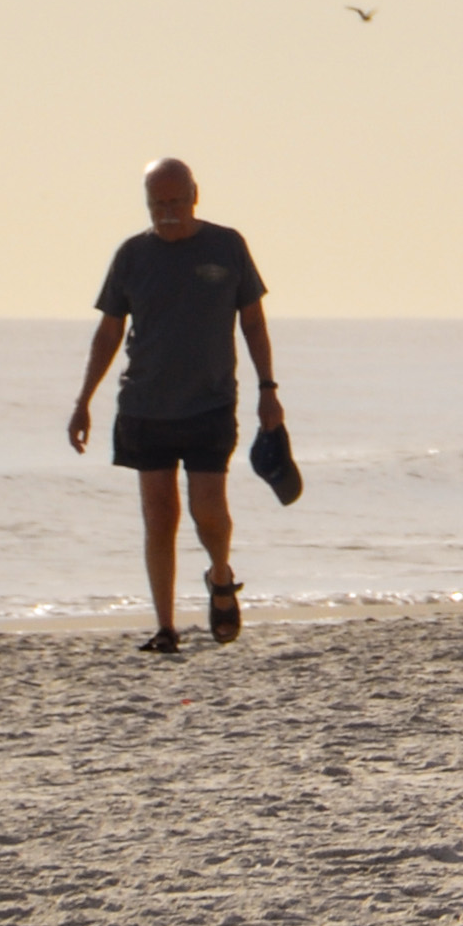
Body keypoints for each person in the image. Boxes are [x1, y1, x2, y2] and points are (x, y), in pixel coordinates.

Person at [68, 158, 289, 653]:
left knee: (208, 510)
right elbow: (108, 332)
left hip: (209, 403)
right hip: (145, 406)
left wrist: (268, 390)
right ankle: (166, 627)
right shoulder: (131, 256)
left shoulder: (227, 246)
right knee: (158, 514)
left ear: (195, 195)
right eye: (157, 204)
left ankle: (220, 573)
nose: (167, 212)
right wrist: (84, 401)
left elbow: (253, 322)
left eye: (175, 201)